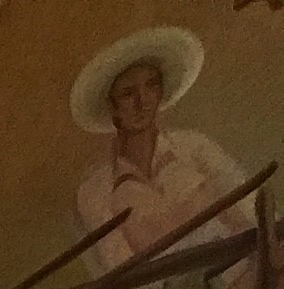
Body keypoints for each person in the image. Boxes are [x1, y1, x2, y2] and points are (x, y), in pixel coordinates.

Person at [71, 27, 249, 273]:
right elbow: (119, 268)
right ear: (112, 106)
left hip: (242, 273)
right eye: (128, 93)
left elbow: (247, 209)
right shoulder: (96, 189)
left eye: (151, 86)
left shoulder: (195, 148)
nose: (142, 102)